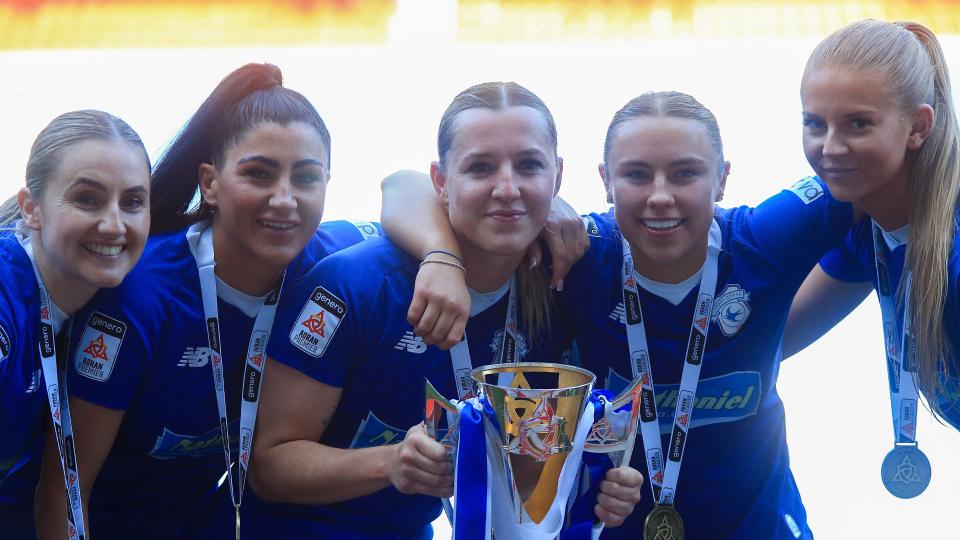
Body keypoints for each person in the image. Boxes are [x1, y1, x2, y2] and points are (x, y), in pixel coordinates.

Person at [382, 90, 856, 538]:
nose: (660, 196)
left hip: (760, 528)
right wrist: (442, 254)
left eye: (686, 173)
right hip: (611, 527)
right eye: (636, 175)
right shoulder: (580, 256)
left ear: (723, 178)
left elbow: (868, 174)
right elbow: (401, 186)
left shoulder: (764, 240)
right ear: (605, 181)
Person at [248, 81, 644, 539]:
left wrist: (594, 484)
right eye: (480, 168)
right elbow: (268, 465)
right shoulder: (354, 287)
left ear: (556, 177)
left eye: (529, 166)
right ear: (440, 182)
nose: (507, 188)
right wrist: (392, 461)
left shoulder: (559, 282)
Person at [35, 63, 379, 539]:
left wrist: (442, 258)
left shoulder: (333, 261)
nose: (285, 200)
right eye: (259, 174)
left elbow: (410, 192)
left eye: (306, 177)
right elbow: (63, 492)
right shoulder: (138, 298)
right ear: (210, 183)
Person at [783, 19, 960, 495]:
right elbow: (773, 339)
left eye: (858, 124)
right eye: (814, 123)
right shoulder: (870, 228)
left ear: (918, 127)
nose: (830, 148)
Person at [0, 110, 150, 539]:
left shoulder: (103, 299)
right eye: (87, 199)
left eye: (133, 202)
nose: (114, 224)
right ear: (32, 209)